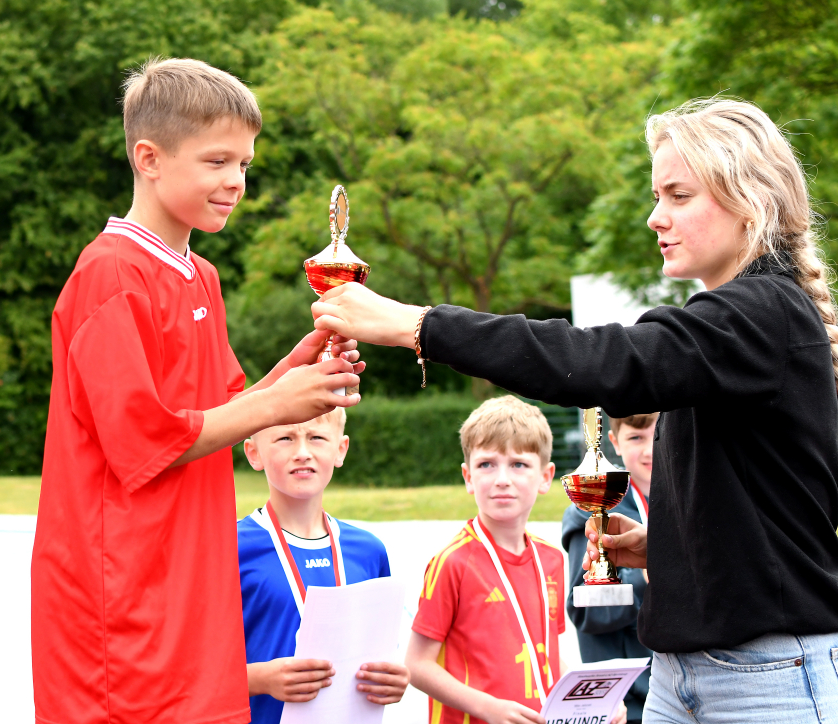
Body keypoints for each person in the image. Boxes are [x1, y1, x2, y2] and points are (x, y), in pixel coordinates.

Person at [310, 98, 838, 723]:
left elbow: (601, 362)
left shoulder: (761, 314)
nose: (654, 218)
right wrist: (670, 548)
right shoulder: (736, 325)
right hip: (680, 673)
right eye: (656, 195)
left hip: (765, 678)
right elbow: (764, 507)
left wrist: (417, 324)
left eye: (677, 196)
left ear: (748, 200)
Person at [32, 58, 363, 724]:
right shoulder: (110, 273)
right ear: (148, 158)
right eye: (217, 162)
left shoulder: (199, 275)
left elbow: (224, 414)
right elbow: (143, 439)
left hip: (187, 581)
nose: (235, 182)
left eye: (243, 164)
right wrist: (274, 404)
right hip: (122, 594)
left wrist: (303, 371)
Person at [405, 396, 627, 724]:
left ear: (545, 476)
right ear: (468, 477)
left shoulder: (550, 559)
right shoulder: (452, 562)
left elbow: (546, 657)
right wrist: (487, 707)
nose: (502, 479)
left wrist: (592, 702)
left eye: (518, 464)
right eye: (486, 464)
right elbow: (416, 665)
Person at [237, 407, 410, 723]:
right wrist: (259, 679)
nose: (302, 452)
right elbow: (188, 668)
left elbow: (382, 656)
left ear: (340, 449)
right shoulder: (230, 547)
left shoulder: (369, 551)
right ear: (254, 453)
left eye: (317, 437)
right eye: (285, 438)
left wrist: (394, 681)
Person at [561, 413, 657, 723]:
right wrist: (643, 578)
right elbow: (585, 610)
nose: (649, 451)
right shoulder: (592, 507)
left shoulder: (685, 502)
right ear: (613, 441)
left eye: (657, 437)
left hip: (678, 687)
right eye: (636, 438)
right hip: (627, 700)